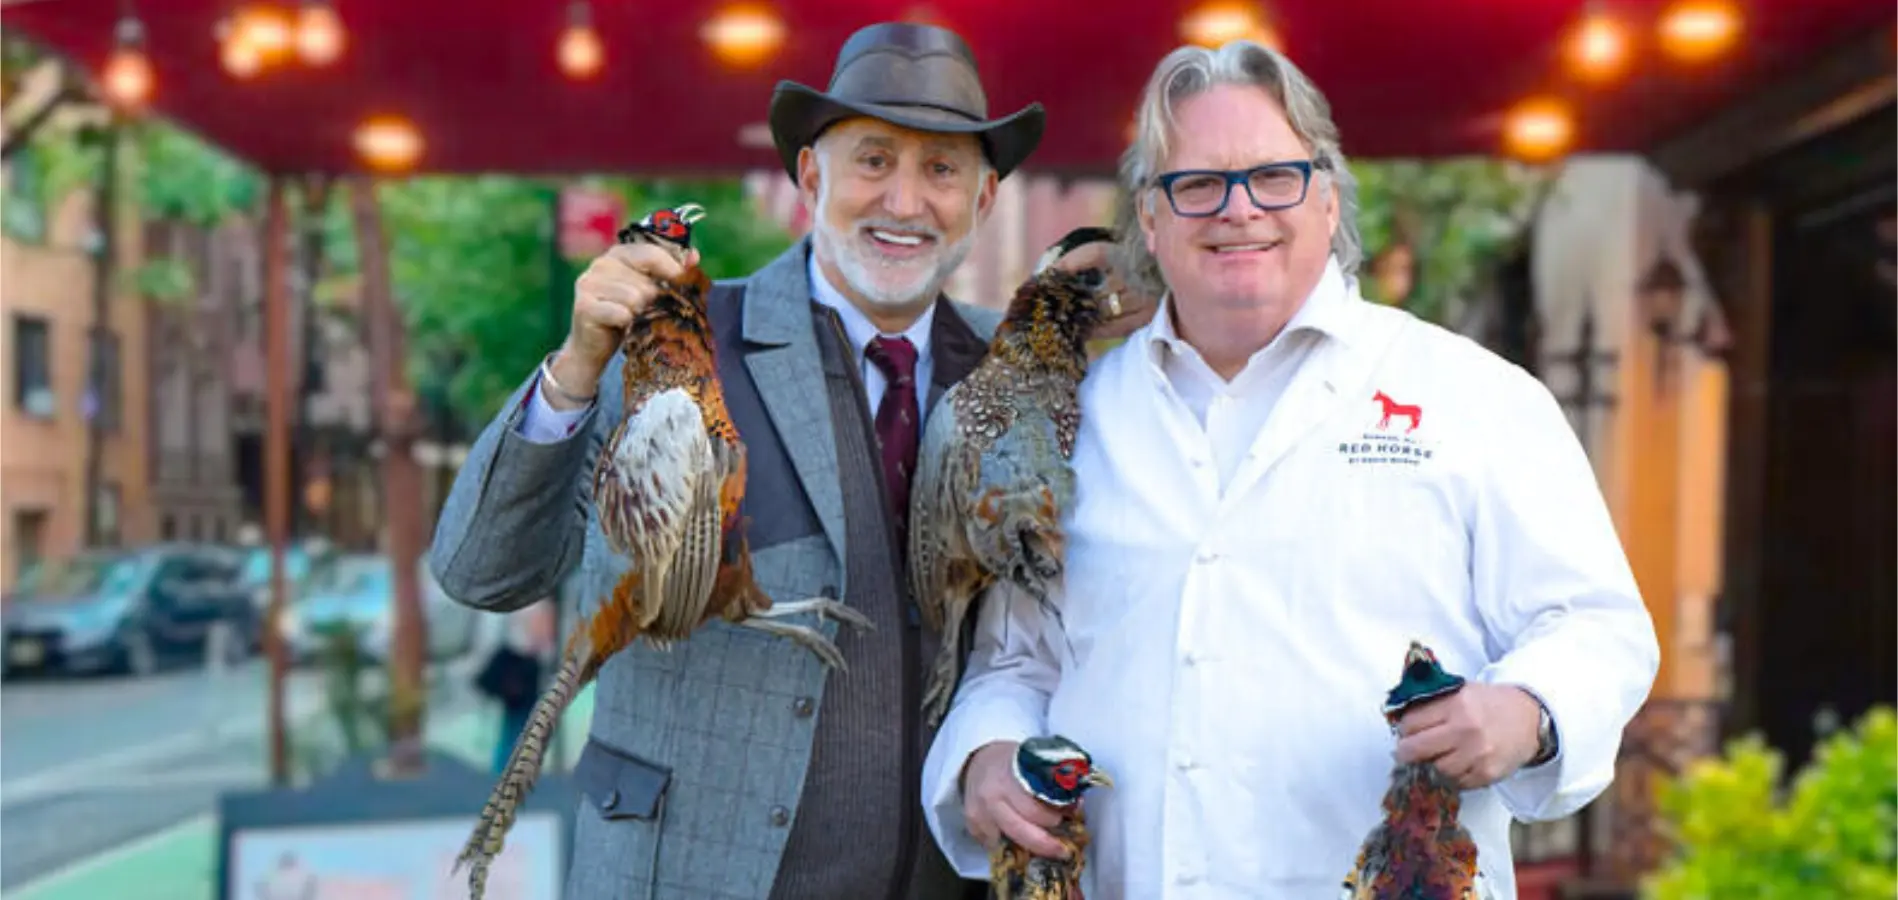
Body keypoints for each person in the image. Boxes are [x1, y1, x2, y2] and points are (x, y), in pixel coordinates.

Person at [923, 39, 1661, 899]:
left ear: (1327, 196)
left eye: (1274, 176)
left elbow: (1596, 627)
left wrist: (1528, 710)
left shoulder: (1476, 397)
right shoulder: (1073, 422)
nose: (1238, 210)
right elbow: (1016, 663)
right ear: (1149, 223)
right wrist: (986, 755)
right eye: (1195, 184)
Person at [429, 21, 1141, 900]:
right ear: (812, 176)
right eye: (873, 161)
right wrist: (576, 372)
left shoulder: (1021, 374)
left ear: (986, 199)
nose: (906, 202)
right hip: (691, 877)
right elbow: (480, 572)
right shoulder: (673, 340)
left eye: (942, 170)